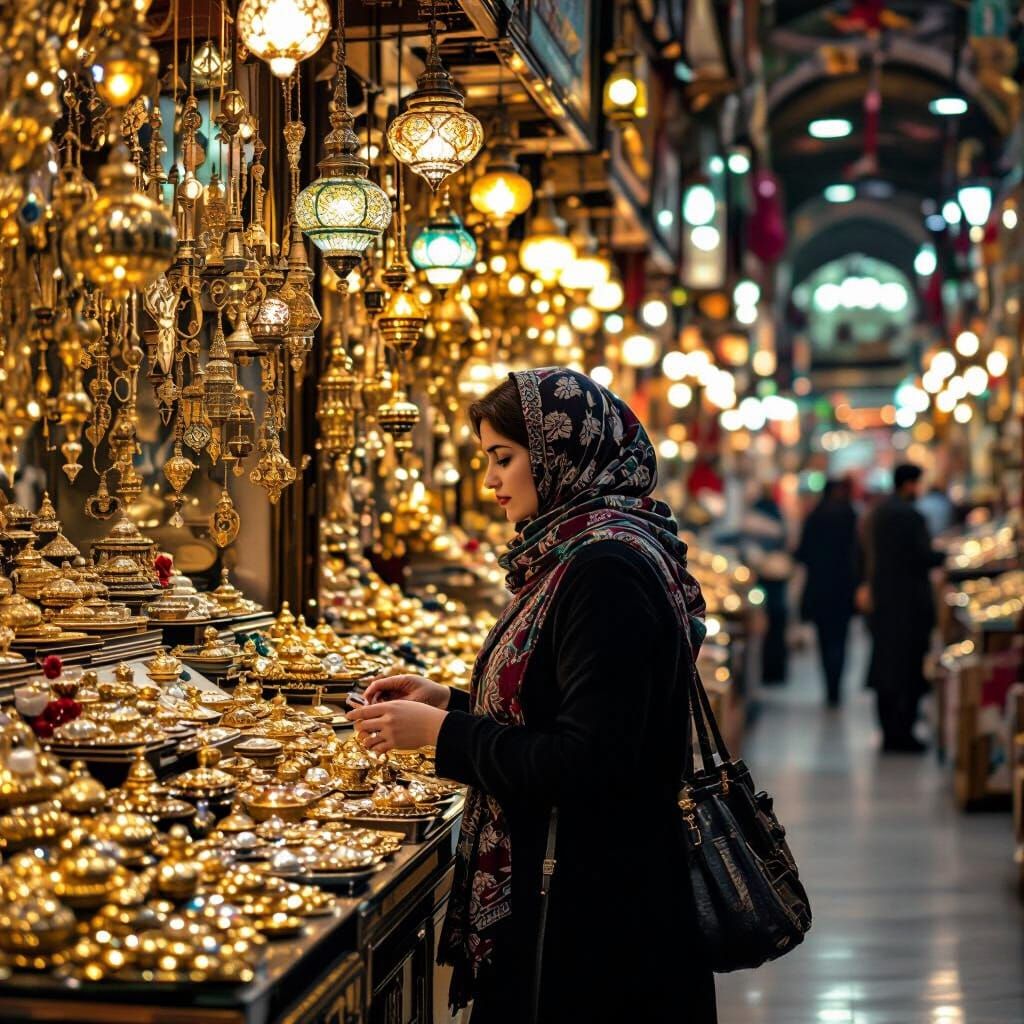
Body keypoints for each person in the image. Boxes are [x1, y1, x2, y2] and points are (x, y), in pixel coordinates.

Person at [348, 368, 717, 1024]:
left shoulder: (604, 569)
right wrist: (452, 704)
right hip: (587, 900)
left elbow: (587, 763)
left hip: (595, 927)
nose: (490, 480)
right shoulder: (580, 555)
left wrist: (441, 738)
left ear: (560, 458)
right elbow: (567, 711)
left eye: (503, 458)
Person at [863, 463, 944, 752]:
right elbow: (923, 556)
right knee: (909, 669)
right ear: (910, 484)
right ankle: (904, 734)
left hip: (884, 603)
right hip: (910, 605)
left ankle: (888, 732)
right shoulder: (911, 516)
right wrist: (946, 555)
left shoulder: (879, 514)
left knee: (885, 667)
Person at [795, 478, 858, 707]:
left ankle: (829, 687)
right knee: (840, 639)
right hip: (844, 588)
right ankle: (836, 686)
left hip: (819, 588)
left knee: (824, 639)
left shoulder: (815, 517)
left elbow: (801, 553)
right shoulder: (850, 515)